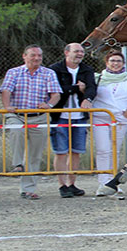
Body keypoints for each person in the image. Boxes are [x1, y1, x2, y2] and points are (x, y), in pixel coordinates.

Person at [0, 45, 61, 199]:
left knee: (35, 155)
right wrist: (7, 107)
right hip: (17, 114)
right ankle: (18, 164)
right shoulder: (14, 72)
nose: (37, 58)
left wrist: (49, 105)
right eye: (33, 55)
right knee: (17, 131)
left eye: (39, 55)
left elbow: (56, 94)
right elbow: (6, 90)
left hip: (39, 116)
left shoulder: (48, 73)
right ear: (24, 56)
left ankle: (28, 189)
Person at [91, 50, 127, 195]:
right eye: (112, 61)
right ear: (107, 62)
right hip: (100, 117)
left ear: (123, 63)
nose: (115, 64)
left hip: (120, 119)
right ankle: (102, 182)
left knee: (114, 151)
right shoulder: (98, 78)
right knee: (103, 150)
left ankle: (113, 182)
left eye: (118, 61)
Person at [48, 43, 97, 198]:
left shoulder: (87, 70)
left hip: (79, 117)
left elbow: (91, 87)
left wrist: (87, 98)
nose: (80, 54)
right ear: (66, 52)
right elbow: (58, 90)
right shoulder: (54, 69)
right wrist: (76, 89)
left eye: (82, 52)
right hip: (60, 115)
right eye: (76, 51)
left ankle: (72, 183)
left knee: (76, 152)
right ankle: (62, 185)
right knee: (61, 152)